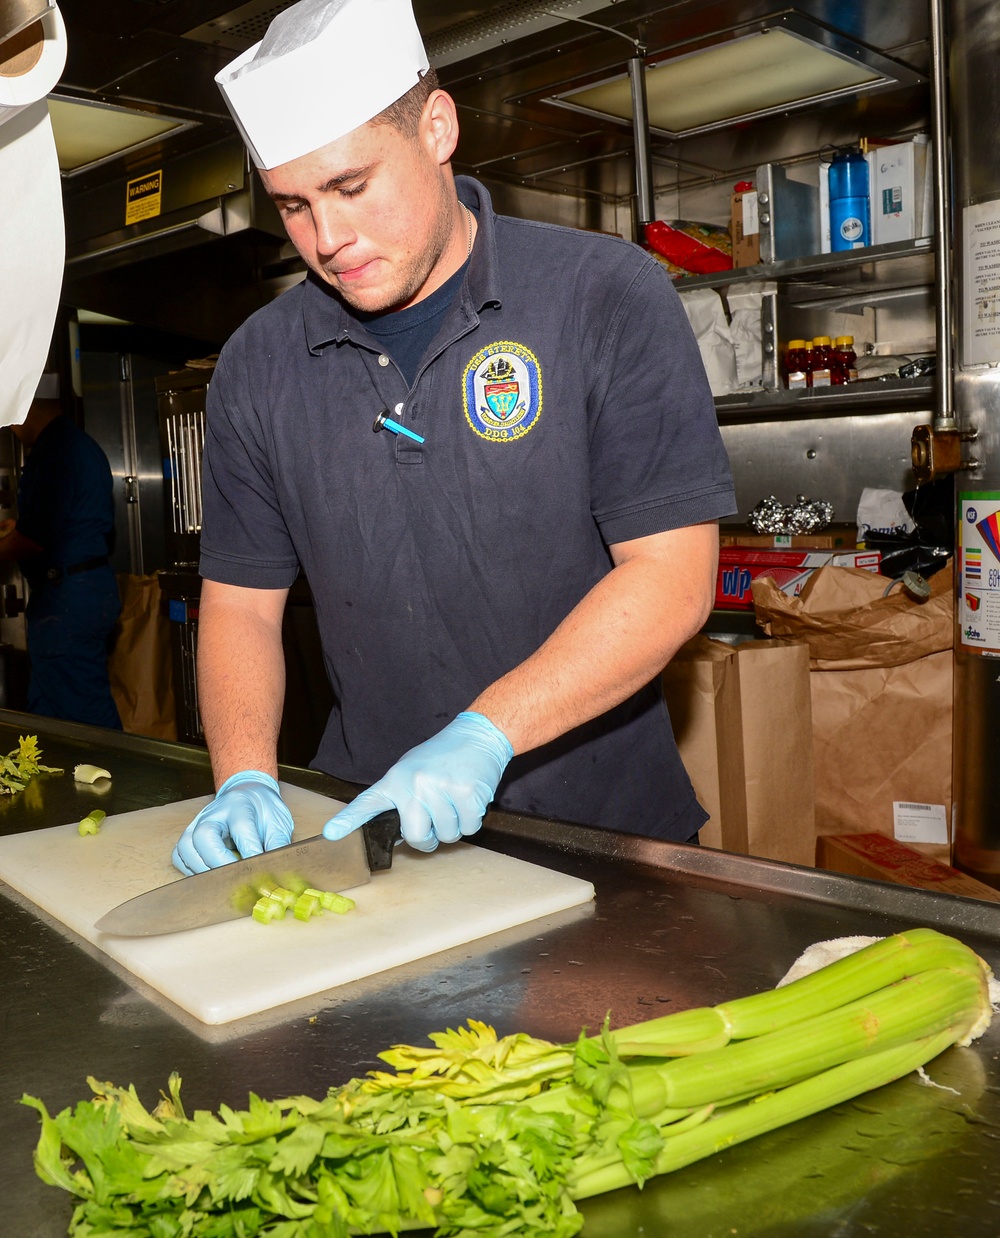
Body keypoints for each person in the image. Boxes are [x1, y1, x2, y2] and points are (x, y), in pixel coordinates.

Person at [172, 0, 736, 875]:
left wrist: (485, 733)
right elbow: (242, 604)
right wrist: (243, 777)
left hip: (601, 834)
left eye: (352, 187)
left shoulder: (604, 296)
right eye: (293, 205)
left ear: (438, 128)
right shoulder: (257, 364)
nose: (328, 240)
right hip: (367, 836)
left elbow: (670, 578)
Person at [0, 374, 121, 728]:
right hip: (81, 591)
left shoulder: (56, 452)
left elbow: (35, 538)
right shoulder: (79, 445)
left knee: (83, 714)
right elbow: (62, 522)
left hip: (67, 600)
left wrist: (12, 540)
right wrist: (13, 530)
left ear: (26, 408)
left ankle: (117, 776)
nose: (10, 426)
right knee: (49, 713)